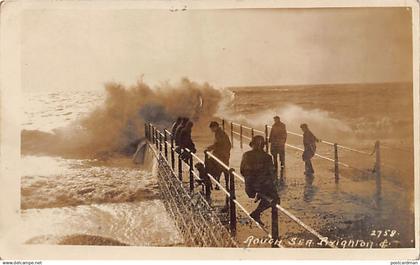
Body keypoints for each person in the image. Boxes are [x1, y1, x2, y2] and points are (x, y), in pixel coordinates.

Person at [240, 135, 278, 225]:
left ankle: (257, 211)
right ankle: (257, 212)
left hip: (249, 187)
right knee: (275, 199)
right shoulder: (267, 157)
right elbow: (272, 174)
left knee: (270, 193)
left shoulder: (246, 155)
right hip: (261, 186)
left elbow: (242, 171)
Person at [205, 121, 231, 190]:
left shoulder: (219, 133)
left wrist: (209, 148)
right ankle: (222, 185)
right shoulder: (220, 132)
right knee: (222, 170)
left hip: (221, 155)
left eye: (211, 128)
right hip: (224, 154)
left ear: (215, 127)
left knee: (213, 166)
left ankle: (213, 182)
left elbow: (218, 144)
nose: (211, 130)